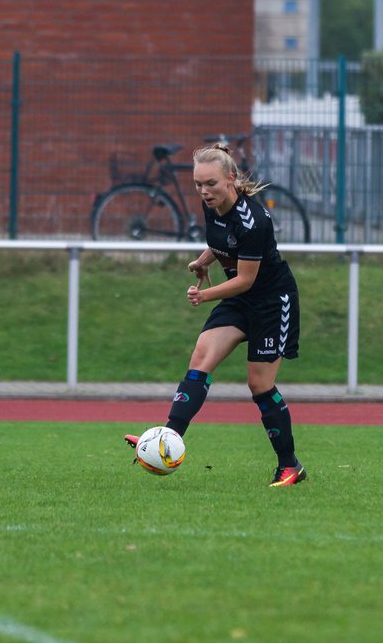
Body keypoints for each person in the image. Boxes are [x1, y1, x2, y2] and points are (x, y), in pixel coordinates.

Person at [125, 142, 306, 486]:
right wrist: (203, 260)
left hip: (271, 301)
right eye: (198, 184)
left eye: (211, 184)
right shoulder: (212, 206)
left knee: (259, 384)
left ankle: (290, 465)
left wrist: (204, 295)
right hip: (241, 299)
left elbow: (246, 278)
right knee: (201, 359)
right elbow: (222, 240)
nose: (204, 191)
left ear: (231, 179)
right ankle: (166, 440)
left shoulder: (253, 221)